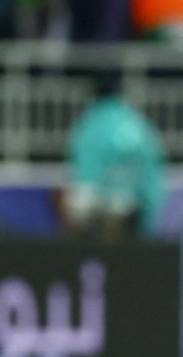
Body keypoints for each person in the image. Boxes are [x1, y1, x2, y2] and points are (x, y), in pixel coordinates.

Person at [61, 71, 166, 240]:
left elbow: (83, 176)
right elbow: (155, 174)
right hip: (136, 206)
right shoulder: (138, 124)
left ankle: (78, 256)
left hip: (109, 209)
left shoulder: (90, 125)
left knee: (65, 199)